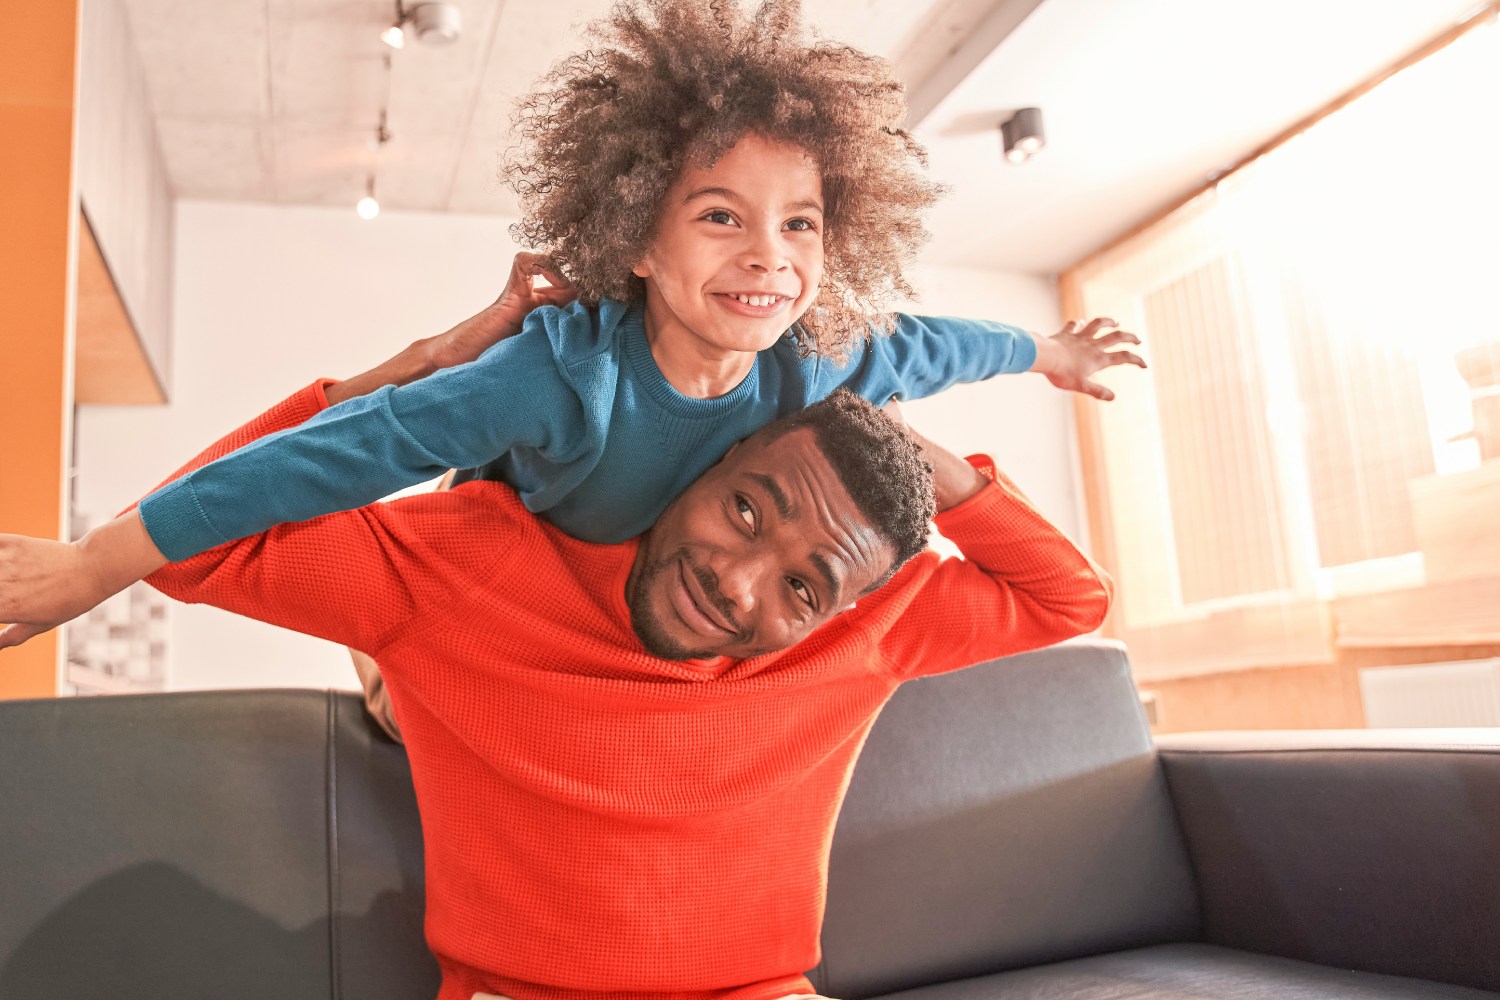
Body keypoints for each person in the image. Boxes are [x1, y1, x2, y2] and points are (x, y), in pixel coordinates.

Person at [0, 0, 1142, 649]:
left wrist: (1050, 352)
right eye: (719, 216)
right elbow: (329, 461)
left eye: (800, 225)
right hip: (509, 541)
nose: (768, 257)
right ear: (638, 237)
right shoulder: (558, 381)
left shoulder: (818, 365)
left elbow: (943, 345)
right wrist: (95, 565)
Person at [0, 335, 1111, 999]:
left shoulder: (869, 627)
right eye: (744, 508)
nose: (741, 581)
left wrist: (921, 457)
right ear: (708, 455)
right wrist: (419, 375)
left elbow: (1073, 599)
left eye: (805, 583)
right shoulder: (468, 558)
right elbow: (190, 543)